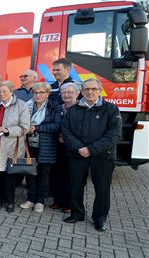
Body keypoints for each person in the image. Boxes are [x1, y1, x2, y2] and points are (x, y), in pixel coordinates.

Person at [62, 78, 121, 232]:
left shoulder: (111, 109)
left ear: (99, 90)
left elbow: (114, 135)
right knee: (75, 186)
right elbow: (66, 131)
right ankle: (77, 213)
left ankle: (100, 219)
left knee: (102, 189)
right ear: (81, 92)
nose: (90, 92)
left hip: (103, 156)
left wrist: (91, 149)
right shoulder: (73, 110)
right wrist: (80, 148)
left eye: (94, 89)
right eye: (87, 89)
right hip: (77, 154)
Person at [19, 82, 62, 213]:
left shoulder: (54, 106)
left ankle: (40, 201)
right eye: (35, 92)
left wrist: (37, 128)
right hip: (29, 144)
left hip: (46, 146)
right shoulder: (27, 106)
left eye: (41, 92)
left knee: (44, 174)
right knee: (30, 173)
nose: (38, 95)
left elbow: (57, 126)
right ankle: (31, 199)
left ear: (47, 93)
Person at [0, 80, 31, 213]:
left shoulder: (22, 105)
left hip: (12, 146)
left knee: (9, 176)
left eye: (4, 91)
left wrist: (7, 130)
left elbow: (24, 128)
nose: (1, 94)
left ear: (11, 91)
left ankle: (10, 202)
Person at [51, 82, 81, 213]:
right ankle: (58, 201)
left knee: (71, 176)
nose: (67, 95)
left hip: (73, 147)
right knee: (57, 174)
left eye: (70, 92)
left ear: (77, 94)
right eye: (64, 93)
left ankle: (69, 204)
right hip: (58, 145)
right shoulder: (59, 108)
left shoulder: (81, 108)